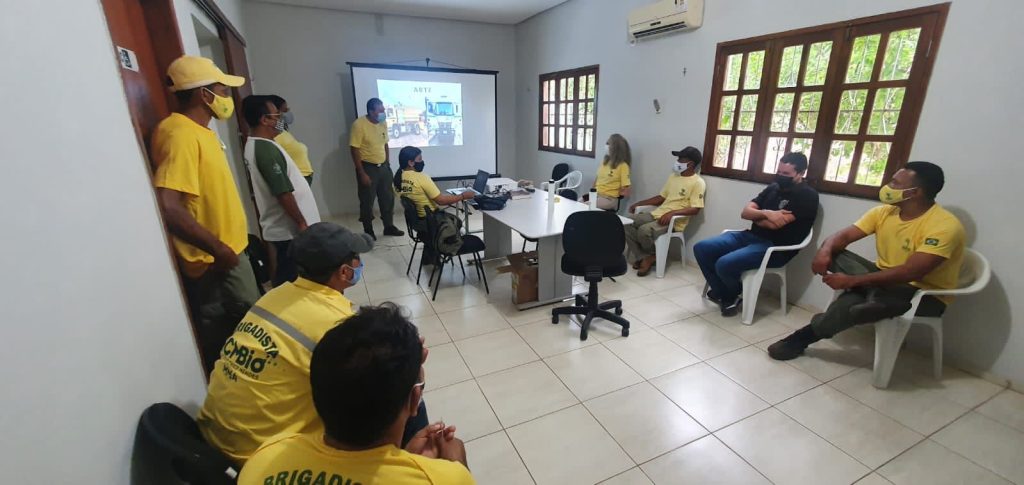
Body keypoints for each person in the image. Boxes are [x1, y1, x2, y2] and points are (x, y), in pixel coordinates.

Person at [197, 222, 378, 464]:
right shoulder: (338, 325)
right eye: (356, 258)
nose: (359, 263)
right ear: (345, 272)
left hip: (211, 438)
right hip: (259, 459)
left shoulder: (274, 296)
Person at [237, 303, 475, 485]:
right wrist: (458, 464)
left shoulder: (266, 456)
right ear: (414, 401)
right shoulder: (444, 479)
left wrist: (402, 458)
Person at [768, 162, 964, 361]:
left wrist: (852, 282)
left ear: (914, 192)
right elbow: (842, 237)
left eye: (895, 183)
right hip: (883, 282)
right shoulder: (884, 212)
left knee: (851, 305)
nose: (889, 187)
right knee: (836, 254)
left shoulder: (944, 226)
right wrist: (824, 250)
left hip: (923, 295)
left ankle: (800, 339)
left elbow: (911, 272)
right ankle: (874, 297)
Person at [151, 55, 260, 371]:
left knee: (247, 329)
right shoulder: (180, 134)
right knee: (240, 335)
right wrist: (219, 249)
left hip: (230, 253)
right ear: (204, 94)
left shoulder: (201, 132)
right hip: (217, 262)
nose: (227, 99)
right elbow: (169, 205)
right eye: (221, 91)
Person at [693, 152, 818, 317]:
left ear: (801, 173)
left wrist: (758, 217)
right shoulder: (774, 187)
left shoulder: (807, 195)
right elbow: (745, 213)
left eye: (786, 173)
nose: (780, 176)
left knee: (724, 263)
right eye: (779, 171)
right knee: (702, 248)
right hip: (750, 236)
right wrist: (768, 213)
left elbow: (777, 224)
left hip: (776, 247)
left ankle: (726, 294)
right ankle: (729, 294)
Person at [241, 95, 321, 286]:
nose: (281, 120)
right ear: (265, 119)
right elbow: (282, 192)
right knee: (289, 278)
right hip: (289, 230)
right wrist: (301, 223)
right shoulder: (264, 150)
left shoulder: (262, 144)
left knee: (290, 274)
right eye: (277, 115)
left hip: (287, 228)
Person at [625, 147, 706, 277]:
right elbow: (661, 198)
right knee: (627, 223)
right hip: (658, 213)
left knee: (644, 231)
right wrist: (639, 203)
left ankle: (648, 258)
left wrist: (672, 213)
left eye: (680, 159)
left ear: (690, 163)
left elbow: (695, 208)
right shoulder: (673, 177)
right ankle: (647, 256)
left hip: (674, 221)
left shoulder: (698, 182)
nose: (677, 161)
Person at [350, 97, 404, 240]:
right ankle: (368, 230)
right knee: (367, 201)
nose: (383, 113)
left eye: (383, 110)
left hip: (383, 167)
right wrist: (361, 172)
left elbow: (385, 143)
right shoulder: (359, 125)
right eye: (380, 111)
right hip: (368, 167)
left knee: (388, 198)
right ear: (371, 111)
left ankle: (389, 226)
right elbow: (354, 149)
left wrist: (387, 162)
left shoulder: (382, 123)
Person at [394, 146, 475, 220]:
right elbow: (441, 201)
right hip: (431, 219)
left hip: (418, 220)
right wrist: (463, 195)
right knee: (457, 221)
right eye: (420, 159)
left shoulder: (398, 178)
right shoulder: (421, 178)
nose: (422, 161)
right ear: (411, 163)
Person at [267, 95, 315, 185]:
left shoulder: (282, 131)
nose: (288, 113)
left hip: (301, 178)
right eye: (285, 110)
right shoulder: (273, 136)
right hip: (294, 180)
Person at [585, 133, 632, 210]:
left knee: (586, 206)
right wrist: (591, 194)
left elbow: (626, 191)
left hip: (609, 198)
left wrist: (614, 192)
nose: (606, 146)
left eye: (608, 144)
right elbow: (596, 180)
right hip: (596, 195)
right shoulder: (605, 162)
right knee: (578, 203)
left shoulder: (623, 166)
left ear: (615, 148)